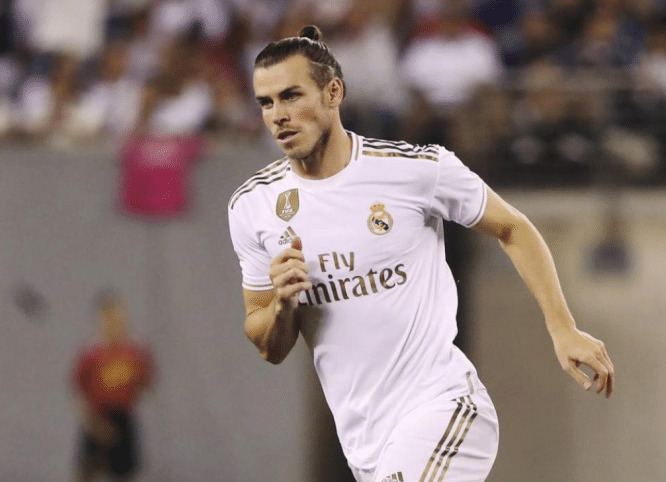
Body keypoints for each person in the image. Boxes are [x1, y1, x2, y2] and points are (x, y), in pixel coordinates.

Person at [227, 25, 615, 482]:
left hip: (445, 408)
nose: (278, 115)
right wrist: (282, 305)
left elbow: (512, 227)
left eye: (291, 96)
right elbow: (268, 345)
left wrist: (562, 326)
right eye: (266, 103)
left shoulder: (414, 171)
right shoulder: (253, 206)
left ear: (333, 92)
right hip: (366, 445)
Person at [71, 289, 154, 482]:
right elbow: (78, 391)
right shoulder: (91, 352)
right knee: (87, 473)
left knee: (125, 473)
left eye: (119, 316)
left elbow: (146, 382)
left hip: (123, 419)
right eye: (109, 317)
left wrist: (134, 394)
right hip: (97, 419)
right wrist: (93, 423)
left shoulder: (136, 351)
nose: (115, 321)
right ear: (100, 319)